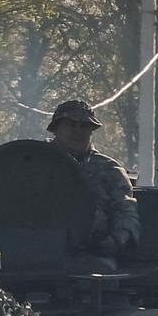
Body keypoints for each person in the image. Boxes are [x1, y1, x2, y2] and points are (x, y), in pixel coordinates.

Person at [47, 99, 141, 262]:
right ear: (56, 129)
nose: (78, 131)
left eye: (84, 126)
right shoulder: (36, 164)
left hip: (94, 255)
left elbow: (125, 210)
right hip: (40, 253)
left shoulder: (109, 169)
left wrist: (116, 240)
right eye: (71, 124)